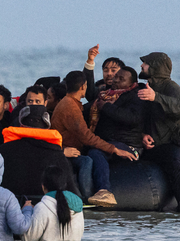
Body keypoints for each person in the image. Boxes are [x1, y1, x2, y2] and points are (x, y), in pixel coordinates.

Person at [51, 70, 137, 206]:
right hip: (66, 150)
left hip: (69, 148)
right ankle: (85, 198)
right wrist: (114, 149)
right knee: (87, 161)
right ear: (83, 87)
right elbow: (87, 137)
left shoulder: (71, 103)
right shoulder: (70, 107)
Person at [138, 52, 180, 212]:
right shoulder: (143, 88)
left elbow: (178, 108)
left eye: (145, 63)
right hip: (149, 148)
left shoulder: (171, 87)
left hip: (172, 146)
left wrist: (155, 97)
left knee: (175, 162)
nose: (142, 66)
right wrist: (141, 136)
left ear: (155, 67)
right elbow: (135, 118)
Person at [0, 105, 78, 198]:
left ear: (21, 124)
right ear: (47, 126)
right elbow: (71, 190)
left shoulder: (4, 150)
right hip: (44, 206)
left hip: (11, 205)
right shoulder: (57, 154)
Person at [22, 165, 84, 241]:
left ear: (43, 187)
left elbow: (28, 239)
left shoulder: (42, 207)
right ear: (64, 185)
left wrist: (27, 211)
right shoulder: (78, 207)